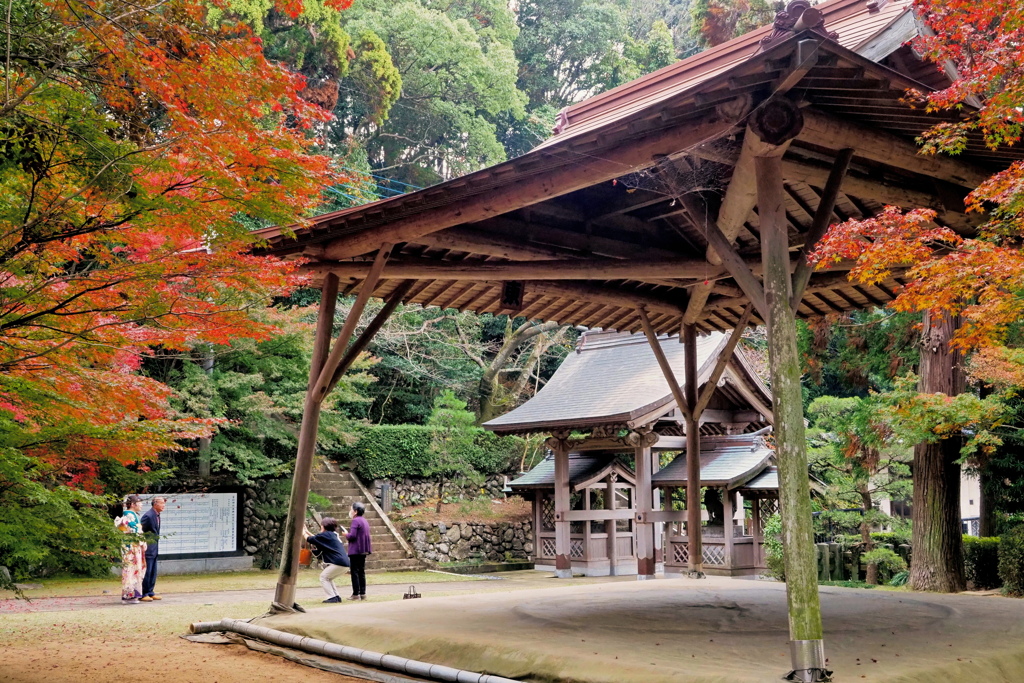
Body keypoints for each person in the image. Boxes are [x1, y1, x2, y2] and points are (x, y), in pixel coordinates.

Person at [304, 517, 350, 603]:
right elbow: (316, 539)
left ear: (324, 526)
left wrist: (303, 533)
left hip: (338, 563)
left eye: (321, 525)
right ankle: (336, 596)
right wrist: (306, 531)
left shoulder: (325, 535)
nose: (321, 527)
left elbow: (310, 539)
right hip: (345, 563)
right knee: (328, 578)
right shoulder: (332, 535)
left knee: (323, 577)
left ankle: (332, 597)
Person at [115, 494, 147, 604]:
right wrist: (142, 540)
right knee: (131, 569)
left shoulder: (133, 514)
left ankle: (132, 595)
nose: (141, 504)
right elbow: (133, 530)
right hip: (131, 546)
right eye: (139, 502)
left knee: (134, 569)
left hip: (133, 545)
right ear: (133, 504)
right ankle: (129, 595)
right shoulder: (129, 514)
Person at [344, 502, 372, 601]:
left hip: (355, 550)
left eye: (351, 509)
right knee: (361, 572)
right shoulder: (364, 521)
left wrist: (346, 534)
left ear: (355, 511)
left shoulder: (355, 521)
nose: (350, 511)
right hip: (363, 550)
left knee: (354, 572)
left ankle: (356, 594)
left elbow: (352, 536)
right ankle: (363, 593)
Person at [140, 497, 165, 602]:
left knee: (153, 571)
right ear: (155, 504)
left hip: (154, 547)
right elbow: (140, 530)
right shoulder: (148, 516)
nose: (164, 505)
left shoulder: (157, 515)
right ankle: (143, 593)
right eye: (162, 503)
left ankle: (150, 591)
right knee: (147, 571)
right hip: (148, 547)